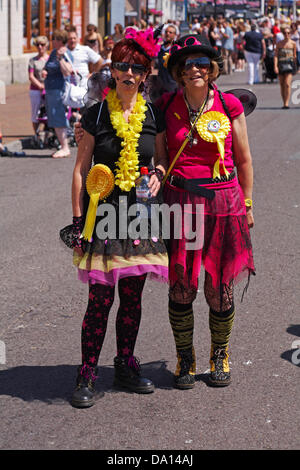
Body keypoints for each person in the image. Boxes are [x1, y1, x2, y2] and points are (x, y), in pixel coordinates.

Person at [67, 29, 169, 408]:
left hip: (140, 216)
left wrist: (158, 174)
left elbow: (159, 160)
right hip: (103, 215)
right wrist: (79, 220)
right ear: (112, 71)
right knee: (99, 299)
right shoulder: (95, 114)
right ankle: (87, 372)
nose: (127, 74)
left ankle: (125, 364)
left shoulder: (152, 114)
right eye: (121, 66)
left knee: (132, 297)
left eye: (135, 68)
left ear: (145, 74)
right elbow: (80, 170)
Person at [155, 34, 255, 389]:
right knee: (181, 287)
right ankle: (185, 357)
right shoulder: (166, 104)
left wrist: (247, 203)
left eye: (201, 63)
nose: (194, 69)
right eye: (187, 64)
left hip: (224, 203)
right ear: (178, 72)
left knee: (219, 287)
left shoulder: (229, 106)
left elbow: (243, 159)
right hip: (180, 203)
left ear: (212, 69)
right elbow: (161, 158)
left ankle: (219, 354)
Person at [43, 29, 73, 158]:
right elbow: (47, 66)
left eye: (54, 39)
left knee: (58, 117)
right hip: (50, 89)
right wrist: (45, 71)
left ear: (60, 40)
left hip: (58, 89)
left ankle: (65, 147)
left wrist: (61, 59)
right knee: (53, 117)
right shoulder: (53, 52)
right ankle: (62, 145)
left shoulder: (66, 54)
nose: (52, 41)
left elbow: (67, 72)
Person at [28, 36, 49, 134]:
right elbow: (31, 76)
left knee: (47, 112)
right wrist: (40, 86)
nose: (40, 47)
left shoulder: (50, 59)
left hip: (49, 90)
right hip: (36, 90)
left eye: (42, 44)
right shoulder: (33, 60)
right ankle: (36, 135)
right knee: (36, 113)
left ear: (46, 45)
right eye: (38, 45)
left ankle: (46, 133)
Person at [274, 27, 297, 109]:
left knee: (287, 84)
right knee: (282, 84)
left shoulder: (293, 43)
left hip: (289, 64)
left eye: (288, 33)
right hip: (281, 64)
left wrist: (296, 66)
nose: (286, 35)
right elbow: (276, 55)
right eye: (285, 33)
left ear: (290, 34)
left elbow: (294, 56)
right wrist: (275, 66)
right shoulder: (279, 43)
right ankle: (284, 102)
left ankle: (286, 103)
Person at [156, 24, 178, 94]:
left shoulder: (176, 50)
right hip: (159, 86)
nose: (167, 34)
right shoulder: (159, 49)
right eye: (166, 32)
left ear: (174, 35)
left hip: (172, 85)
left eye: (170, 32)